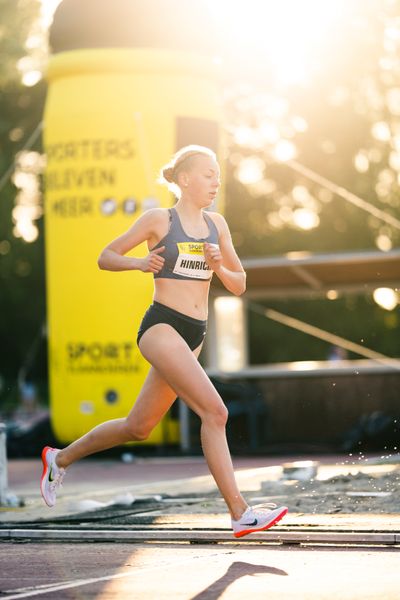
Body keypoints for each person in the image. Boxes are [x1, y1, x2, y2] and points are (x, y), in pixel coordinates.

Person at [40, 145, 288, 537]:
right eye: (208, 174)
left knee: (139, 427)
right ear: (185, 179)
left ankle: (59, 458)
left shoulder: (217, 225)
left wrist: (218, 264)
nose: (216, 182)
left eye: (218, 175)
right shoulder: (159, 219)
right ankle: (239, 512)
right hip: (161, 327)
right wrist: (139, 262)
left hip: (195, 334)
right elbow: (106, 256)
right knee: (216, 413)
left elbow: (239, 284)